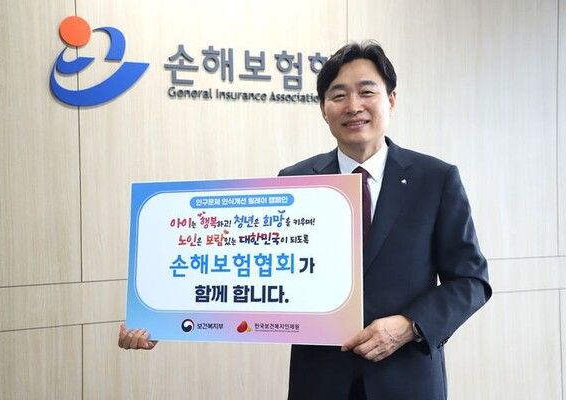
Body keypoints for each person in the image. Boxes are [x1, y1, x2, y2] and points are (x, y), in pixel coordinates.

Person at [119, 41, 492, 400]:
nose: (353, 106)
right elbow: (248, 271)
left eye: (366, 92)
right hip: (320, 382)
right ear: (324, 109)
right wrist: (164, 319)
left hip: (406, 380)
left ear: (391, 100)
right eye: (338, 95)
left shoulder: (435, 179)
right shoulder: (296, 181)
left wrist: (410, 325)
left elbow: (471, 280)